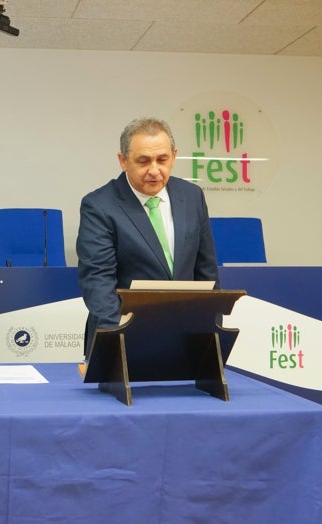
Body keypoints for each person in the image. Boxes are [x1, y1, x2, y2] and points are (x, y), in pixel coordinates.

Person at [77, 117, 219, 356]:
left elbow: (206, 271)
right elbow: (98, 281)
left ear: (174, 156)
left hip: (187, 341)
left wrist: (211, 333)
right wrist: (118, 340)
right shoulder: (99, 206)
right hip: (124, 340)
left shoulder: (192, 196)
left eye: (162, 160)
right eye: (143, 161)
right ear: (123, 161)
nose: (154, 170)